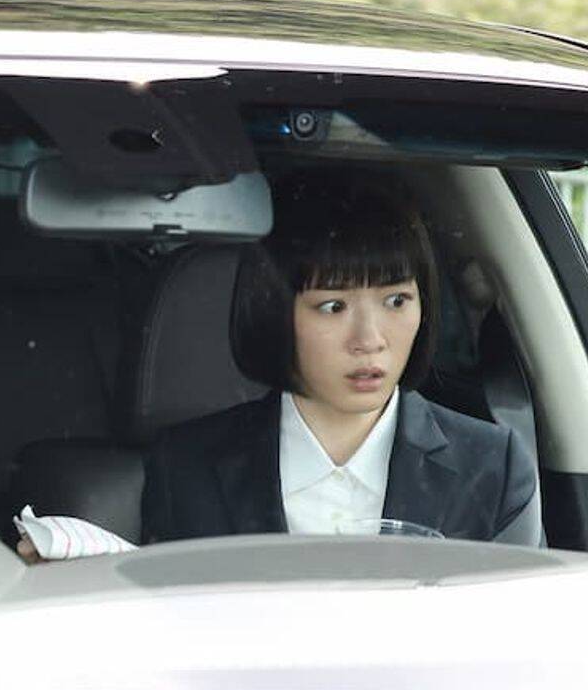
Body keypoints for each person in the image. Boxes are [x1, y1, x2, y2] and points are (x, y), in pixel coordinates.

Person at [139, 171, 541, 546]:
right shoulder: (185, 467)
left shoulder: (492, 468)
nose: (370, 340)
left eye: (396, 301)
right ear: (272, 313)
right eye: (333, 307)